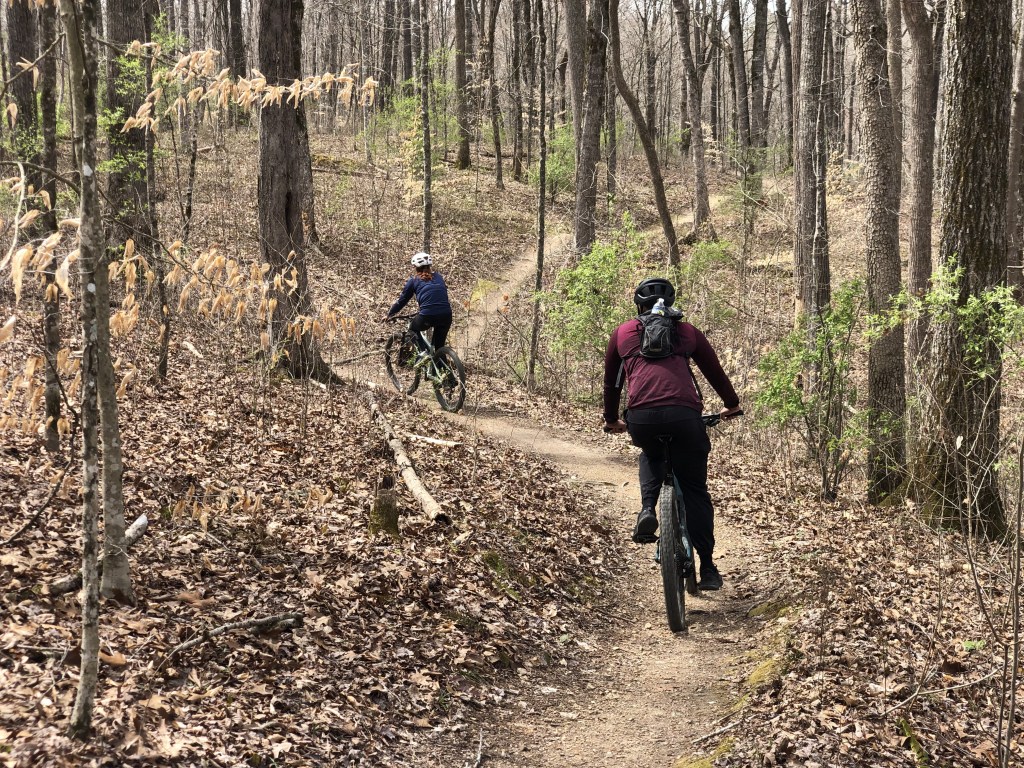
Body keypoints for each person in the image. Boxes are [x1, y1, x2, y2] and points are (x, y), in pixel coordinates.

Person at [603, 278, 741, 591]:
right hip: (684, 417)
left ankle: (647, 508)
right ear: (671, 304)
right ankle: (708, 567)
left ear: (638, 306)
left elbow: (612, 383)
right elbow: (714, 372)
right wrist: (731, 405)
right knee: (694, 490)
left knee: (651, 453)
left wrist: (611, 419)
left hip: (642, 419)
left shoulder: (623, 333)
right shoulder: (687, 332)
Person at [384, 252, 453, 353]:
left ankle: (423, 353)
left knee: (412, 329)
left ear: (416, 267)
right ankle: (440, 361)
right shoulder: (438, 277)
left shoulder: (414, 280)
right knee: (439, 348)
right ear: (429, 266)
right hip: (446, 315)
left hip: (428, 315)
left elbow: (402, 300)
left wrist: (390, 314)